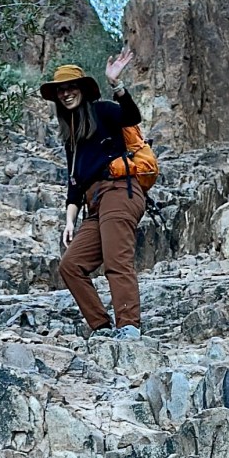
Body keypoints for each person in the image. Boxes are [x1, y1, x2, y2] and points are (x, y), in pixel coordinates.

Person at [41, 48, 146, 339]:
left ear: (83, 89)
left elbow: (131, 115)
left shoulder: (103, 111)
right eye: (60, 90)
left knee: (116, 260)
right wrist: (70, 221)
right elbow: (74, 184)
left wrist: (116, 84)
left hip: (120, 192)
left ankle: (129, 327)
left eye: (71, 87)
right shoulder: (72, 136)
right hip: (95, 204)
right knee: (71, 265)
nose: (66, 94)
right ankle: (101, 327)